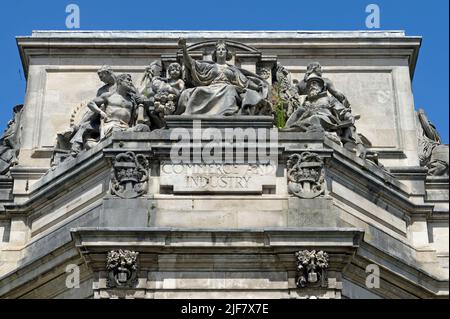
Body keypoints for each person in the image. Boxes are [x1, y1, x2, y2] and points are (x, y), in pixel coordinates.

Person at [175, 38, 270, 116]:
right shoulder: (209, 67)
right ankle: (190, 112)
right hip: (212, 88)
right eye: (219, 50)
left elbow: (245, 82)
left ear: (226, 53)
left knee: (230, 88)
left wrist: (258, 87)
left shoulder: (233, 70)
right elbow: (191, 64)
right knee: (198, 90)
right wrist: (184, 49)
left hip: (227, 87)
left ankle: (228, 111)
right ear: (215, 53)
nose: (221, 51)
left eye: (223, 49)